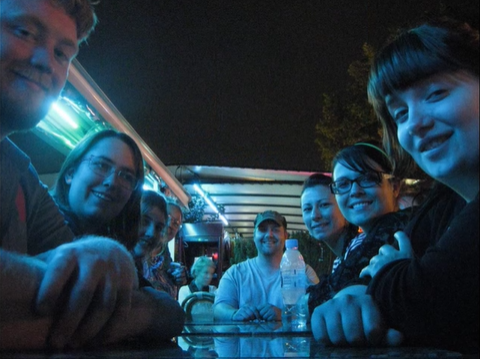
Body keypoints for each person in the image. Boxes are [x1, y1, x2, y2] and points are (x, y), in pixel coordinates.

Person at [0, 0, 183, 350]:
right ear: (70, 173)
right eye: (24, 32)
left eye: (62, 53)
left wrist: (104, 256)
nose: (44, 61)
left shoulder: (22, 179)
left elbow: (167, 313)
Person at [311, 18, 478, 355]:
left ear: (394, 187)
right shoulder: (445, 203)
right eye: (400, 113)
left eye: (436, 93)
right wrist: (354, 297)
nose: (415, 122)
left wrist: (387, 274)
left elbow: (424, 299)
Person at [305, 145, 412, 314]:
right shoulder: (363, 243)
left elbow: (327, 298)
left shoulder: (399, 229)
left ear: (395, 186)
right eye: (343, 184)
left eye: (368, 178)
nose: (355, 191)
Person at [214, 210, 319, 321]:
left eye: (275, 230)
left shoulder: (304, 272)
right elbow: (218, 309)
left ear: (285, 236)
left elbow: (319, 309)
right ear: (254, 236)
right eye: (263, 230)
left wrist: (284, 315)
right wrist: (234, 314)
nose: (269, 235)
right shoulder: (235, 273)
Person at [52, 129, 143, 251]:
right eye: (101, 165)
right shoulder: (33, 225)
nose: (112, 182)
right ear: (71, 173)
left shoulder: (113, 253)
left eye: (126, 176)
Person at [144, 200, 187, 298]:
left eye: (176, 224)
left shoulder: (164, 253)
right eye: (168, 217)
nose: (170, 225)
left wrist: (178, 277)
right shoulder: (137, 247)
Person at [131, 190, 168, 282]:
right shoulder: (108, 263)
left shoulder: (142, 267)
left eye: (158, 228)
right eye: (144, 221)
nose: (151, 233)